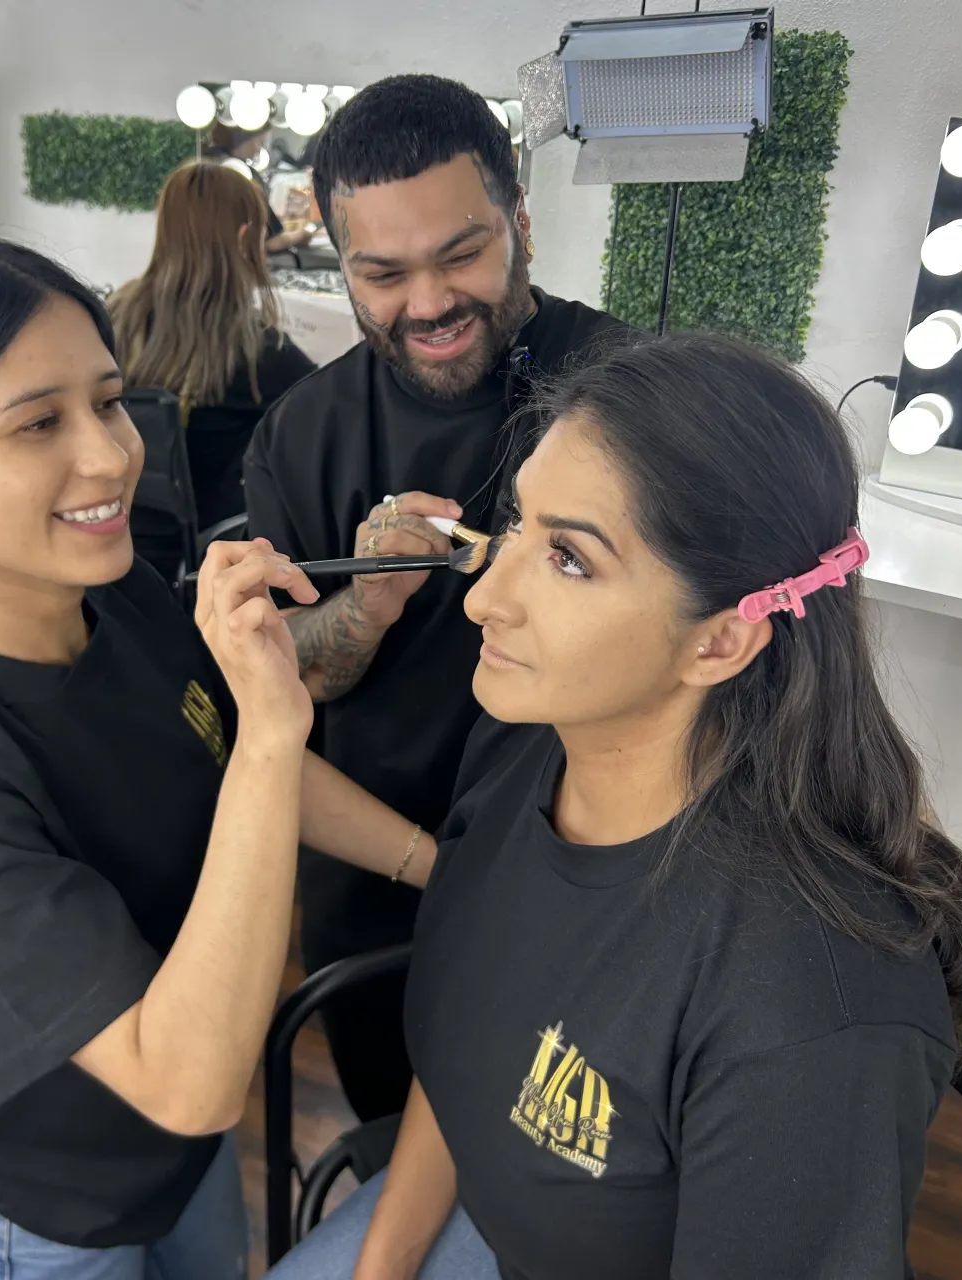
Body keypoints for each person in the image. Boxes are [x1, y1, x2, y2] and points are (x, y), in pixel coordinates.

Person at [267, 333, 962, 1280]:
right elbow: (468, 1069)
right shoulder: (528, 749)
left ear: (723, 643)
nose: (485, 598)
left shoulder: (806, 1016)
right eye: (519, 522)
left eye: (569, 559)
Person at [0, 239, 438, 1280]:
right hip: (38, 1217)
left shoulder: (117, 592)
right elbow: (184, 1075)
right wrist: (273, 726)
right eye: (39, 423)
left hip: (183, 1160)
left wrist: (435, 865)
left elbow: (237, 757)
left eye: (107, 403)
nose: (109, 456)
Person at [243, 73, 625, 1122]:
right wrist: (366, 605)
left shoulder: (636, 394)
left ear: (522, 224)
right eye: (383, 272)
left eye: (461, 253)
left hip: (599, 885)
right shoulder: (302, 433)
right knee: (394, 1143)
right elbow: (294, 681)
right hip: (377, 885)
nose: (428, 303)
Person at [109, 162, 315, 581]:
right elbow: (328, 412)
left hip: (120, 532)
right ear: (244, 238)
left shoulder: (115, 316)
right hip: (210, 553)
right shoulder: (256, 349)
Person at [205, 122, 313, 257]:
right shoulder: (239, 174)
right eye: (259, 143)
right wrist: (303, 234)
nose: (258, 150)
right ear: (243, 139)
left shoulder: (207, 170)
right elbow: (270, 241)